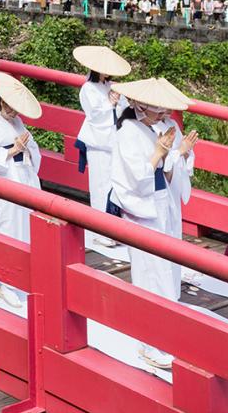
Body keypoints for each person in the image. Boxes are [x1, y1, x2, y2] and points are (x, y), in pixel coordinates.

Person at [108, 76, 195, 370]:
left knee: (167, 271)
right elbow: (134, 178)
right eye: (159, 110)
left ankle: (167, 335)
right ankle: (149, 342)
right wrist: (160, 153)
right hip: (143, 210)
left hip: (162, 204)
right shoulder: (127, 132)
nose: (164, 116)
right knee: (150, 274)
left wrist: (178, 154)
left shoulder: (154, 129)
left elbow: (168, 175)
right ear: (139, 105)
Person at [0, 72, 44, 307]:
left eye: (17, 109)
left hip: (22, 177)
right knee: (6, 227)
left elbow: (33, 147)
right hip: (4, 180)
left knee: (23, 227)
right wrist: (13, 150)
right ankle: (3, 278)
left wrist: (26, 149)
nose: (14, 112)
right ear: (1, 100)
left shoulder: (16, 122)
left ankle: (19, 274)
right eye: (10, 106)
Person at [74, 45, 132, 248]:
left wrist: (119, 103)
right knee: (100, 185)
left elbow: (124, 109)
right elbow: (95, 115)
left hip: (114, 141)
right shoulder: (88, 89)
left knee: (114, 184)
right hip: (99, 142)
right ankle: (100, 229)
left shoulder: (112, 86)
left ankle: (114, 227)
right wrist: (110, 104)